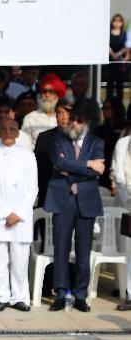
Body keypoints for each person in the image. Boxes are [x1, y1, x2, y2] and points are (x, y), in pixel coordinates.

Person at [44, 108, 105, 312]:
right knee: (60, 248)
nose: (73, 124)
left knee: (83, 250)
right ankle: (60, 293)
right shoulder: (59, 140)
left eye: (78, 120)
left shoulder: (97, 142)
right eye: (71, 120)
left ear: (86, 122)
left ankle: (80, 295)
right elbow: (59, 162)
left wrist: (70, 168)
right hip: (63, 199)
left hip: (86, 199)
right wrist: (88, 164)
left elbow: (98, 171)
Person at [0, 119, 38, 311]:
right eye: (3, 129)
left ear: (17, 133)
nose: (7, 132)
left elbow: (33, 188)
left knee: (20, 259)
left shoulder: (28, 155)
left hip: (21, 217)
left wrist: (18, 213)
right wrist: (5, 213)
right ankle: (1, 296)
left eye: (12, 129)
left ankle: (18, 296)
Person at [34, 105, 72, 207]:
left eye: (68, 113)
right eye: (60, 113)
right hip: (48, 194)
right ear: (56, 115)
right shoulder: (43, 138)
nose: (64, 117)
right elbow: (37, 169)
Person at [112, 126, 131, 310]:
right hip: (128, 202)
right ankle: (130, 294)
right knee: (130, 251)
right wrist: (129, 200)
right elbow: (118, 175)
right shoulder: (123, 143)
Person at [21, 74, 66, 145]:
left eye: (51, 92)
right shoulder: (30, 118)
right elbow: (24, 144)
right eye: (44, 91)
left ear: (57, 95)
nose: (47, 95)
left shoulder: (64, 117)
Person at [106, 13, 129, 101]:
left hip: (120, 63)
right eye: (115, 20)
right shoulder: (108, 33)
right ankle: (108, 102)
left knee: (120, 84)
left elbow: (127, 46)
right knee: (110, 84)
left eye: (119, 20)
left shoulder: (124, 34)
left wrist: (119, 55)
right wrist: (112, 54)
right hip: (110, 62)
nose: (117, 22)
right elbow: (106, 45)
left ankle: (120, 103)